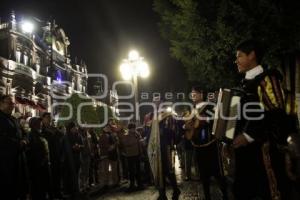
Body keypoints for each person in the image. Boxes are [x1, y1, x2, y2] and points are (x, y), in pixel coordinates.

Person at [233, 39, 294, 200]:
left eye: (239, 56)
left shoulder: (267, 79)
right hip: (246, 154)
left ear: (252, 55)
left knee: (268, 192)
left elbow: (277, 113)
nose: (236, 60)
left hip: (264, 152)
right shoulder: (244, 85)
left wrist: (248, 135)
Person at [187, 87, 227, 200]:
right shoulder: (193, 109)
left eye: (195, 93)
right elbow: (190, 125)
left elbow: (216, 119)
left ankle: (225, 195)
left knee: (217, 173)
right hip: (198, 146)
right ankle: (207, 196)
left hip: (210, 145)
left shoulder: (209, 106)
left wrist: (204, 119)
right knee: (203, 175)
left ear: (201, 94)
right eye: (192, 93)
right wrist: (186, 126)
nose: (193, 95)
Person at [148, 97, 181, 200]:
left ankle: (175, 189)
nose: (155, 103)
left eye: (157, 101)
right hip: (156, 147)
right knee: (158, 170)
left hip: (166, 146)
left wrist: (164, 133)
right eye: (154, 101)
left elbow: (172, 130)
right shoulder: (152, 115)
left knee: (168, 170)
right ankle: (162, 194)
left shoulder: (168, 115)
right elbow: (150, 131)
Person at [0, 95, 28, 200]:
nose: (12, 106)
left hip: (18, 160)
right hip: (5, 162)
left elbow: (24, 133)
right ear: (1, 103)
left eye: (13, 104)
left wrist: (25, 140)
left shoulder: (14, 119)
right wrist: (18, 144)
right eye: (9, 103)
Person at [27, 117, 51, 200]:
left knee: (42, 188)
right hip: (37, 167)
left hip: (43, 165)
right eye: (39, 123)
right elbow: (33, 151)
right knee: (38, 188)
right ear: (34, 125)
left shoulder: (39, 134)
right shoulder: (31, 135)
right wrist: (41, 161)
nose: (41, 124)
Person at [41, 112, 63, 199]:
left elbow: (61, 137)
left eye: (49, 117)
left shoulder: (55, 129)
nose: (49, 119)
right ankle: (51, 195)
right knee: (49, 178)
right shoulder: (41, 130)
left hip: (56, 156)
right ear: (42, 119)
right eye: (47, 117)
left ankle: (58, 193)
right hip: (47, 158)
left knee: (57, 177)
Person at [119, 123, 143, 192]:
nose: (134, 129)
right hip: (130, 155)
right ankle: (132, 185)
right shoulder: (126, 135)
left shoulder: (137, 134)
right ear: (130, 129)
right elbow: (126, 143)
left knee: (138, 170)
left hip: (137, 154)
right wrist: (136, 141)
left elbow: (140, 142)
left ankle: (139, 184)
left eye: (134, 128)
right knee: (131, 171)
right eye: (133, 128)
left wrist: (141, 144)